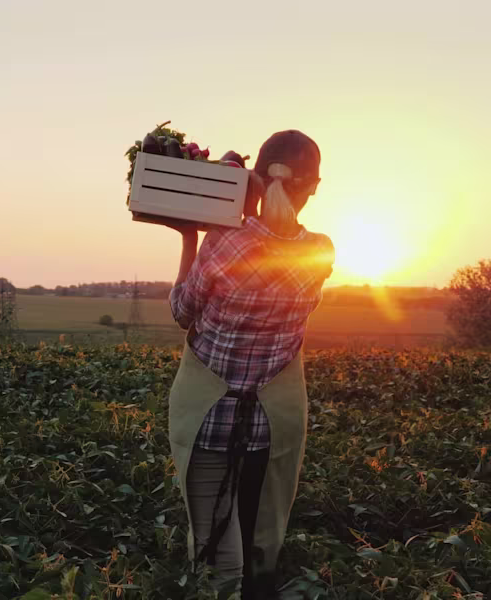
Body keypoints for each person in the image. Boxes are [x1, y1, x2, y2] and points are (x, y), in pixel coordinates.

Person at [166, 130, 335, 599]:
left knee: (216, 557)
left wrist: (189, 238)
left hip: (209, 423)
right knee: (258, 546)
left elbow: (182, 312)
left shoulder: (223, 242)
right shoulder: (321, 252)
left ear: (256, 179)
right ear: (314, 186)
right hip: (270, 427)